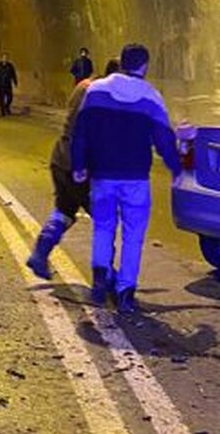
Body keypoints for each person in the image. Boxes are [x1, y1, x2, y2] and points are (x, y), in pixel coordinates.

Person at [71, 44, 181, 314]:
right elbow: (164, 140)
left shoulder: (96, 91)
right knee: (133, 235)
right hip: (136, 179)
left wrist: (79, 164)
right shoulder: (151, 96)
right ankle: (125, 292)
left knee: (103, 227)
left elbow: (81, 130)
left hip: (102, 175)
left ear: (121, 62)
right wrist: (176, 169)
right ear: (145, 65)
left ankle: (100, 279)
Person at [27, 58, 121, 280]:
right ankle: (105, 276)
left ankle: (40, 253)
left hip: (61, 159)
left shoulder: (83, 86)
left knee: (65, 210)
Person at [0, 53, 18, 117]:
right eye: (4, 58)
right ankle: (2, 112)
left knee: (10, 97)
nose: (5, 59)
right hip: (1, 85)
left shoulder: (10, 66)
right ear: (2, 58)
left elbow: (13, 74)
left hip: (8, 84)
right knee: (1, 99)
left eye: (6, 58)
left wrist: (15, 82)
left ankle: (7, 106)